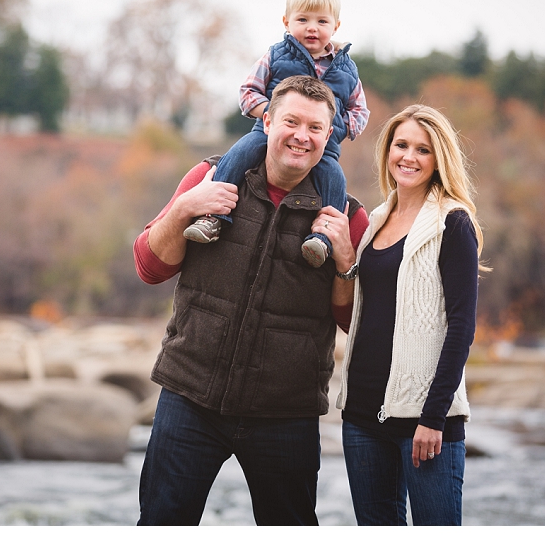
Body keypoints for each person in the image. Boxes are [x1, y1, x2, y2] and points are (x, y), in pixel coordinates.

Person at [133, 75, 369, 525]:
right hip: (190, 397)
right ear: (267, 120)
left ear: (329, 136)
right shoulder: (208, 178)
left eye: (316, 128)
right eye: (292, 122)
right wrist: (186, 207)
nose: (302, 136)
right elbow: (149, 267)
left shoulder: (345, 217)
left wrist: (344, 260)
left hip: (285, 413)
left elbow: (349, 320)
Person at [330, 105, 485, 526]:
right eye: (401, 145)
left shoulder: (452, 224)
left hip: (425, 424)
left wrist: (433, 418)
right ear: (387, 150)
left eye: (423, 149)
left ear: (439, 159)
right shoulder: (376, 221)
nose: (409, 157)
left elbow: (461, 328)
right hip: (362, 419)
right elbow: (366, 315)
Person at [183, 0, 370, 272]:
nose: (312, 28)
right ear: (286, 22)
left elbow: (360, 109)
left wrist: (342, 127)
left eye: (321, 21)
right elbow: (248, 93)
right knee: (240, 152)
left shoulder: (346, 69)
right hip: (267, 133)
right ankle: (213, 217)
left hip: (325, 146)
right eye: (302, 20)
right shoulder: (277, 55)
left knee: (334, 179)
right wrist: (275, 115)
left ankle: (322, 238)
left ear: (336, 26)